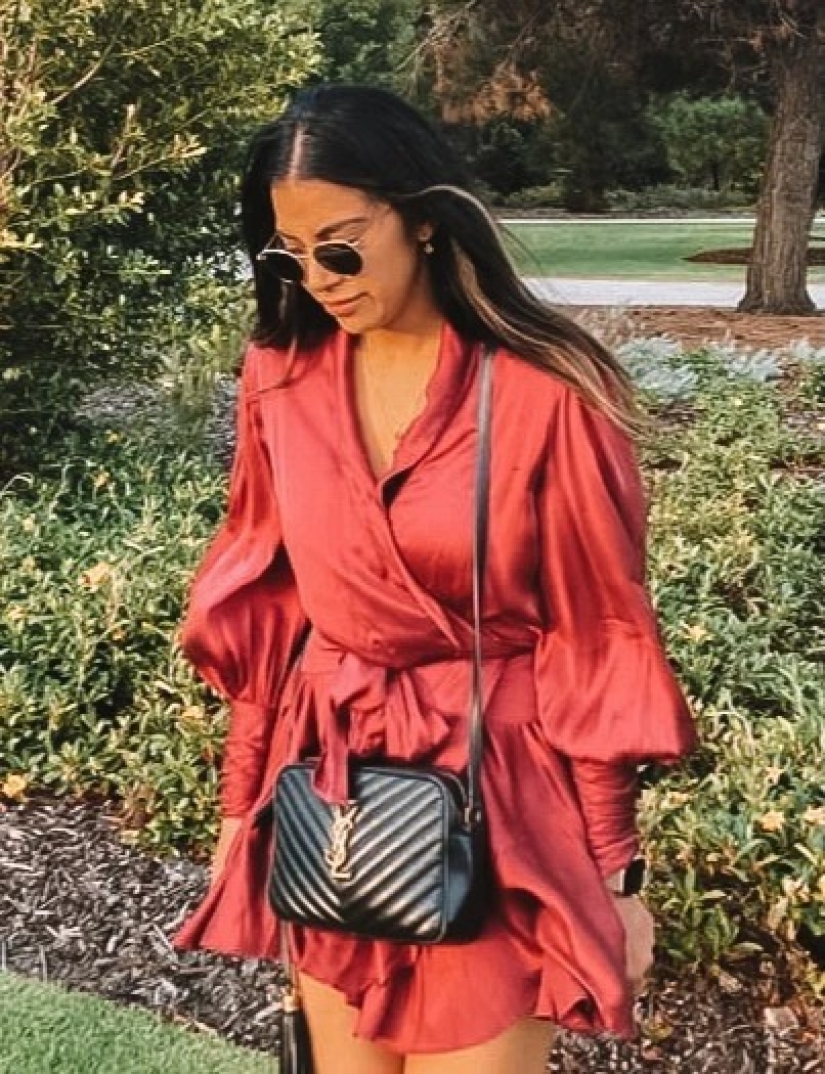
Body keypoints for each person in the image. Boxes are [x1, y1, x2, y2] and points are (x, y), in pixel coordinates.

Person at [172, 83, 697, 1074]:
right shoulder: (281, 377)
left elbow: (597, 635)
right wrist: (242, 807)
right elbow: (266, 605)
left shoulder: (546, 392)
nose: (318, 279)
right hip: (332, 782)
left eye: (340, 246)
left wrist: (614, 874)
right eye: (289, 255)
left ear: (420, 217)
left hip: (499, 796)